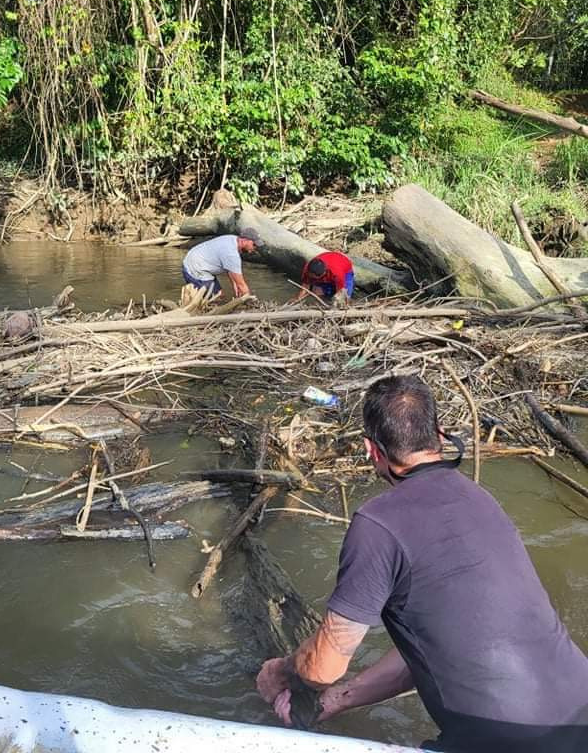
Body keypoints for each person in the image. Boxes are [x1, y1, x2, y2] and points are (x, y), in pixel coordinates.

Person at [256, 374, 588, 752]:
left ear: (371, 450)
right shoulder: (481, 500)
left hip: (501, 740)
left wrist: (280, 671)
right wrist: (337, 699)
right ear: (440, 435)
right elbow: (436, 645)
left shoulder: (377, 524)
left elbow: (322, 667)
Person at [181, 230, 262, 298]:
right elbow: (242, 285)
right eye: (254, 244)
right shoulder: (231, 254)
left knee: (219, 295)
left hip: (198, 260)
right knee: (215, 298)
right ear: (244, 240)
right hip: (194, 267)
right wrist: (249, 299)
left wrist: (234, 284)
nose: (255, 248)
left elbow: (230, 268)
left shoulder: (233, 239)